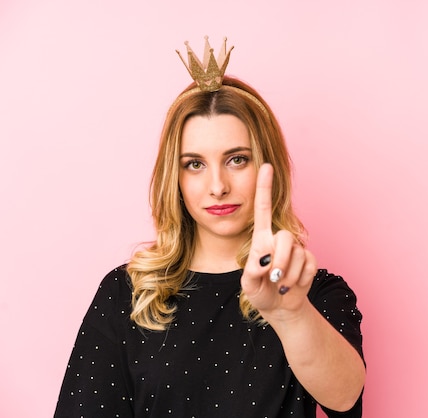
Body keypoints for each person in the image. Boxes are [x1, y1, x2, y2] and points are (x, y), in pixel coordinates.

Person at [54, 37, 365, 418]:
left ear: (267, 168)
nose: (218, 186)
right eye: (195, 164)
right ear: (176, 178)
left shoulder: (312, 291)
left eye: (237, 159)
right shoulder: (125, 295)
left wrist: (292, 314)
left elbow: (346, 397)